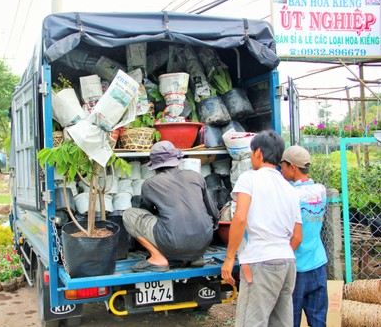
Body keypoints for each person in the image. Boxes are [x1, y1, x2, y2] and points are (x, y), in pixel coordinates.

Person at [221, 130, 302, 327]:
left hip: (261, 260)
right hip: (287, 262)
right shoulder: (290, 189)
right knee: (281, 323)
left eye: (251, 153)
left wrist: (230, 258)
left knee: (251, 322)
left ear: (258, 153)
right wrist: (279, 256)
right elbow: (297, 236)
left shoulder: (249, 179)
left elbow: (239, 219)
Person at [123, 140, 219, 272]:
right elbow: (213, 211)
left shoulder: (150, 184)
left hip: (173, 243)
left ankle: (158, 258)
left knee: (129, 214)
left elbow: (146, 212)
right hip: (204, 242)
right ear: (176, 160)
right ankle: (194, 256)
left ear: (155, 166)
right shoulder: (196, 176)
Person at [280, 145, 328, 327]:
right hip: (318, 263)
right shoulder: (321, 190)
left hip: (297, 267)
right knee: (318, 320)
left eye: (282, 165)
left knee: (291, 320)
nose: (281, 169)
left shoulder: (290, 195)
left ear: (292, 166)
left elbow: (295, 236)